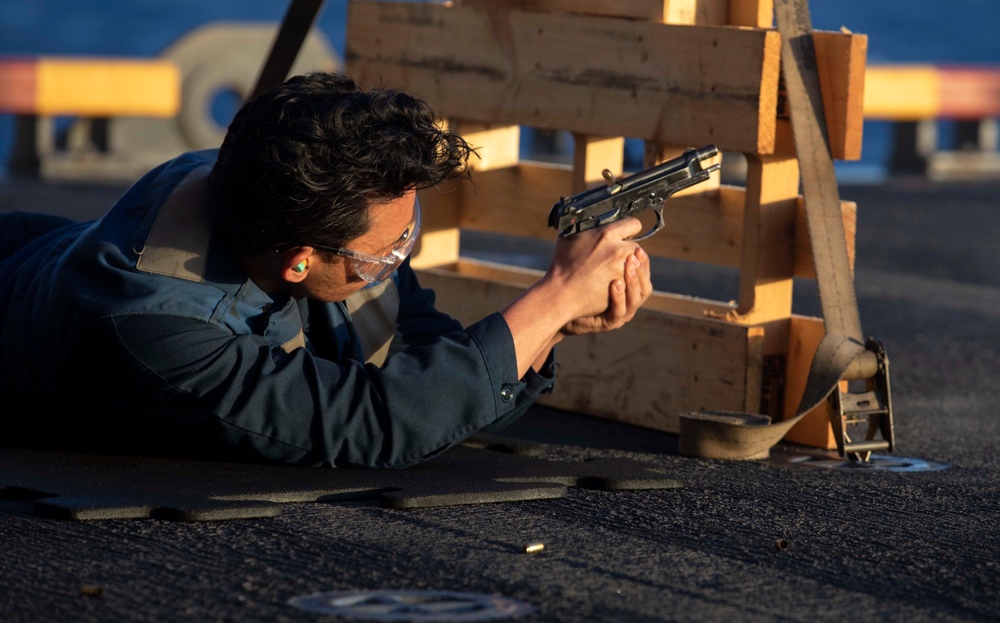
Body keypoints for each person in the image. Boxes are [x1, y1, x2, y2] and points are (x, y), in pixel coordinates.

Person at [0, 72, 651, 468]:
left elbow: (433, 381)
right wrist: (557, 295)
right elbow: (377, 423)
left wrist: (556, 324)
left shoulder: (291, 193)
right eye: (386, 253)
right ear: (297, 260)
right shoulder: (151, 329)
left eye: (410, 233)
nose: (400, 262)